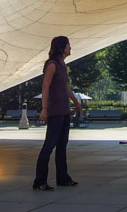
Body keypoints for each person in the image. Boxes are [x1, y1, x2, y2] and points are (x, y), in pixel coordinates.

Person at [33, 36, 83, 190]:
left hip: (64, 109)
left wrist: (75, 102)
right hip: (55, 110)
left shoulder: (62, 64)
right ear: (61, 48)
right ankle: (40, 180)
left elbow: (66, 87)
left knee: (62, 145)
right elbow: (45, 86)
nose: (71, 48)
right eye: (69, 45)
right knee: (50, 145)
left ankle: (63, 177)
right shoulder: (52, 64)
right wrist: (45, 109)